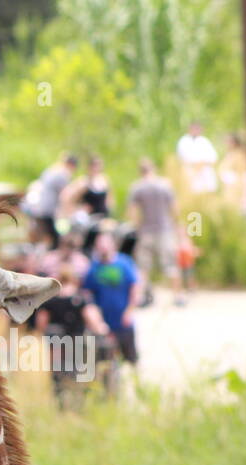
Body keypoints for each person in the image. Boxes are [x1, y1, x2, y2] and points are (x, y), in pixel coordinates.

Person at [35, 264, 111, 407]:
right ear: (75, 280)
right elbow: (92, 318)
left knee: (57, 375)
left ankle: (60, 403)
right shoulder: (80, 298)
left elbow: (41, 323)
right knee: (78, 373)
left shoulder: (50, 299)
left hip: (56, 342)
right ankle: (78, 404)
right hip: (76, 340)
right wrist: (102, 329)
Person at [128, 158, 185, 306]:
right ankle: (178, 296)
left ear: (141, 171)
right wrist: (177, 226)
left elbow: (132, 212)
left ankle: (139, 298)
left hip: (146, 231)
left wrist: (137, 227)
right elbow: (175, 209)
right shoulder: (164, 185)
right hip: (164, 230)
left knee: (142, 267)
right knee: (171, 265)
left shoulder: (137, 187)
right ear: (153, 169)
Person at [83, 229, 141, 365]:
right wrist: (94, 320)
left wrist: (129, 312)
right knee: (105, 359)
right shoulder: (93, 267)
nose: (103, 247)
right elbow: (87, 294)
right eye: (99, 245)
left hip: (123, 321)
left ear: (112, 245)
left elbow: (135, 288)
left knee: (131, 358)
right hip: (104, 323)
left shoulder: (124, 263)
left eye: (105, 244)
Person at [26, 153, 77, 248]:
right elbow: (65, 196)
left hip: (39, 209)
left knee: (47, 236)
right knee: (56, 238)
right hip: (48, 210)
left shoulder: (51, 170)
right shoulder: (62, 175)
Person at [62, 154, 113, 219]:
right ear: (89, 167)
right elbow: (66, 197)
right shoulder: (84, 182)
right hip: (89, 218)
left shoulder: (104, 181)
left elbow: (110, 200)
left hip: (103, 216)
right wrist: (78, 209)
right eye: (95, 166)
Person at [177, 121, 219, 194]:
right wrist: (195, 164)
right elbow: (183, 157)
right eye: (194, 129)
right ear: (190, 129)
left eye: (198, 129)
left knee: (208, 190)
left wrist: (203, 163)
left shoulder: (204, 141)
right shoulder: (184, 141)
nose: (196, 131)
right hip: (191, 170)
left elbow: (213, 156)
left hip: (205, 169)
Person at [218, 132, 246, 215]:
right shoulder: (229, 154)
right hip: (231, 187)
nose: (226, 144)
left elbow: (243, 170)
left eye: (228, 141)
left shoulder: (240, 154)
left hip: (238, 186)